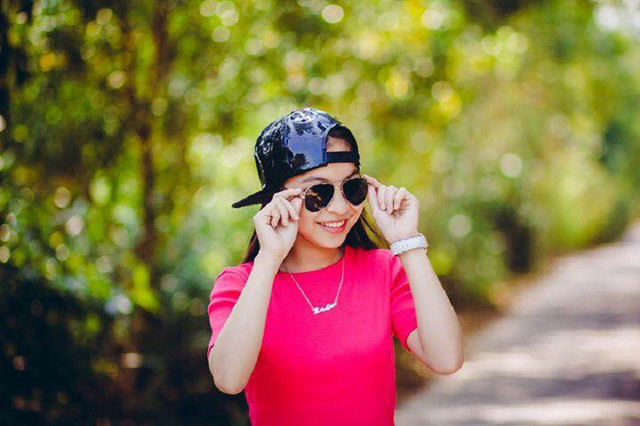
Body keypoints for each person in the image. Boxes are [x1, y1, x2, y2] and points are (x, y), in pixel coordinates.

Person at [206, 107, 463, 425]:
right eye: (319, 193)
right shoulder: (241, 284)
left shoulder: (383, 270)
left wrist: (408, 244)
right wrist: (269, 259)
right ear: (278, 198)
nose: (341, 208)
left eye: (352, 188)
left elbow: (447, 358)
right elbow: (229, 378)